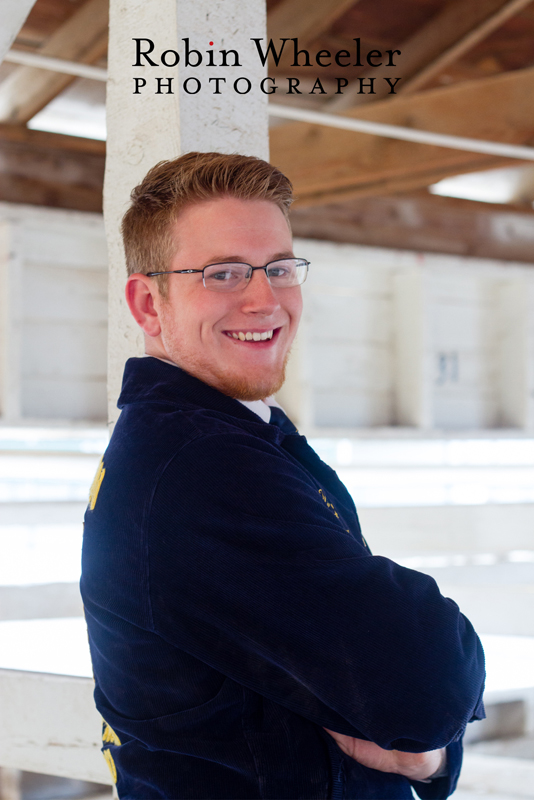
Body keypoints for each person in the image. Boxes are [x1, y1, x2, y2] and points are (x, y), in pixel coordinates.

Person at [81, 152, 485, 800]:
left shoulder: (231, 433)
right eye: (224, 273)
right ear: (148, 303)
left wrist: (429, 753)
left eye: (279, 268)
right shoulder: (201, 465)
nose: (265, 298)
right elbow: (423, 680)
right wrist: (429, 733)